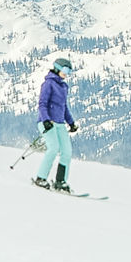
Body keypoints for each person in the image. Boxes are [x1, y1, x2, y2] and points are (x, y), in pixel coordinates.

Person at [34, 58, 79, 192]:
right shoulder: (48, 84)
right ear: (57, 68)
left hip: (59, 123)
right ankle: (40, 178)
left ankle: (60, 181)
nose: (67, 73)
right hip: (46, 122)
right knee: (53, 148)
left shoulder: (64, 86)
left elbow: (64, 107)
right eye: (65, 70)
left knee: (66, 152)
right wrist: (46, 120)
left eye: (69, 71)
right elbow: (42, 104)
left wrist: (71, 123)